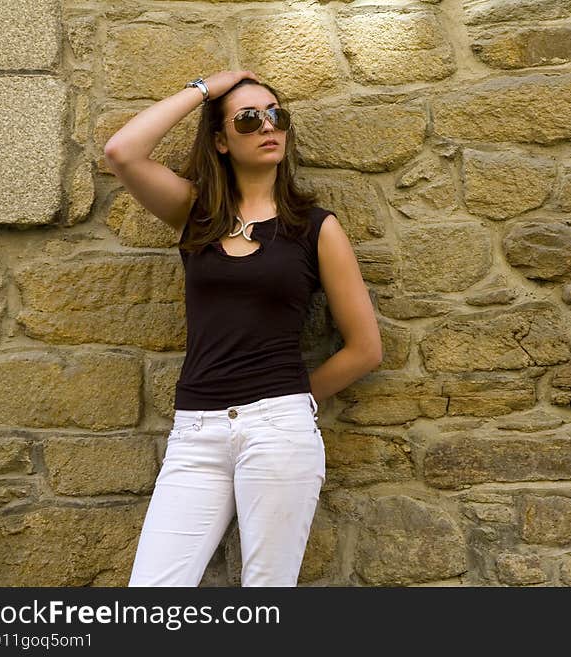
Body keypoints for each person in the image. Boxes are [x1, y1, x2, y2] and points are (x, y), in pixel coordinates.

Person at [103, 70, 382, 586]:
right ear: (221, 141)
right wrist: (204, 89)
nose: (267, 126)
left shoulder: (316, 228)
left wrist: (293, 400)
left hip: (279, 431)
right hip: (196, 434)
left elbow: (365, 349)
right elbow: (122, 152)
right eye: (249, 119)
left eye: (276, 115)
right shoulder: (196, 214)